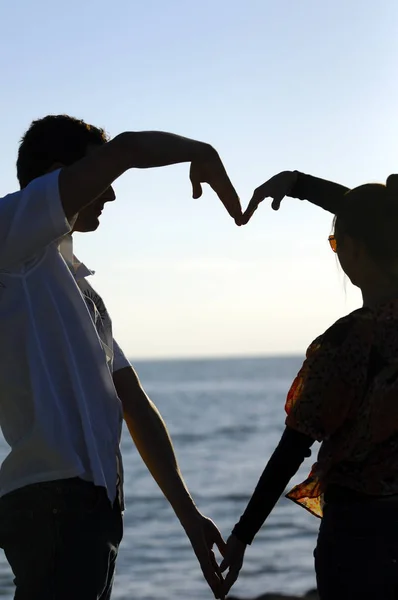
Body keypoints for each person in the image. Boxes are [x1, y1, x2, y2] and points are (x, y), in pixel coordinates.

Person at [0, 114, 242, 600]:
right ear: (55, 175)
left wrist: (189, 518)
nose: (110, 193)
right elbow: (128, 149)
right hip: (52, 500)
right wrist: (202, 151)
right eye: (100, 177)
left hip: (94, 508)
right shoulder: (11, 232)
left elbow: (133, 404)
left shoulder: (81, 292)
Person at [221, 176, 398, 600]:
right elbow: (376, 217)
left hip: (362, 538)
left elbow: (293, 447)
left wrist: (242, 536)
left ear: (353, 250)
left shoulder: (348, 343)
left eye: (336, 245)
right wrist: (299, 185)